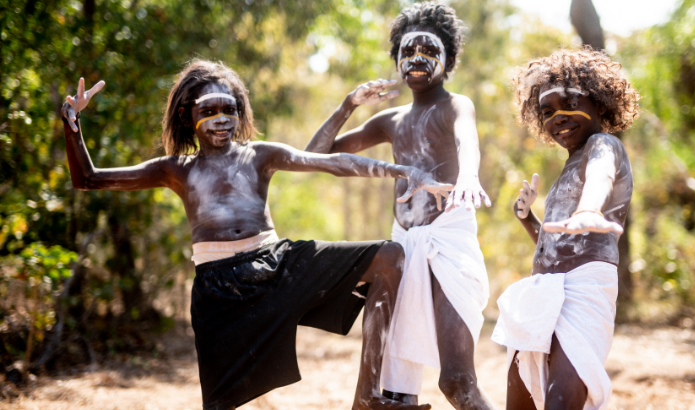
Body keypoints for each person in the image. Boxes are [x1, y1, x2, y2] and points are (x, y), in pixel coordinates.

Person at [60, 59, 452, 410]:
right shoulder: (175, 169)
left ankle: (367, 396)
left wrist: (404, 172)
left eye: (229, 109)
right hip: (219, 288)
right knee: (219, 403)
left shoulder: (259, 154)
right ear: (186, 116)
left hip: (276, 264)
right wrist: (72, 125)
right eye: (208, 110)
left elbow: (332, 162)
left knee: (389, 257)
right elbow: (89, 179)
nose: (221, 119)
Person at [304, 2, 495, 409]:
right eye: (408, 52)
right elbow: (315, 156)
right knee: (395, 393)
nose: (417, 59)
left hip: (449, 243)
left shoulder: (455, 105)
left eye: (429, 51)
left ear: (448, 59)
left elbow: (467, 141)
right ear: (396, 61)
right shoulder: (390, 120)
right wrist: (347, 105)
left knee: (457, 381)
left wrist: (468, 176)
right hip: (403, 250)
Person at [491, 47, 639, 410]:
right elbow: (557, 242)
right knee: (521, 392)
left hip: (584, 289)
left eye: (569, 104)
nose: (558, 117)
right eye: (547, 111)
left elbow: (600, 175)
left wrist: (590, 207)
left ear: (600, 104)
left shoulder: (603, 146)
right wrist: (530, 220)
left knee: (562, 400)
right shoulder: (570, 164)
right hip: (544, 291)